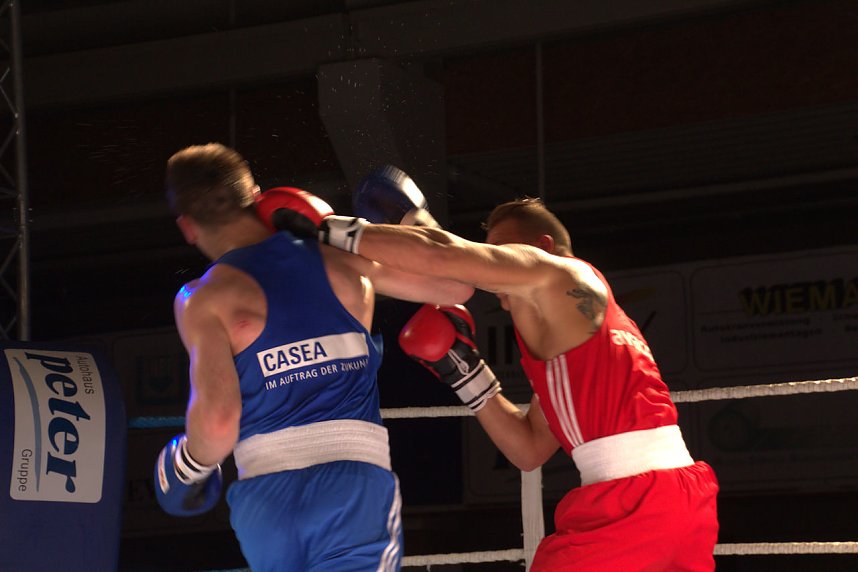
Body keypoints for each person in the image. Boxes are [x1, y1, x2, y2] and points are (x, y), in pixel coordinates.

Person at [316, 194, 720, 571]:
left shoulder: (563, 272)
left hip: (636, 504)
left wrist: (326, 228)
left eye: (502, 249)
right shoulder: (575, 343)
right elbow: (530, 449)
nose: (494, 262)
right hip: (671, 500)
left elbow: (442, 254)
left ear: (540, 248)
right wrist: (465, 372)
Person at [153, 143, 473, 572]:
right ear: (257, 195)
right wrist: (400, 223)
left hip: (265, 504)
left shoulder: (201, 299)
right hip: (351, 487)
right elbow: (456, 284)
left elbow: (216, 426)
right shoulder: (338, 257)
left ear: (188, 227)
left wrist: (188, 464)